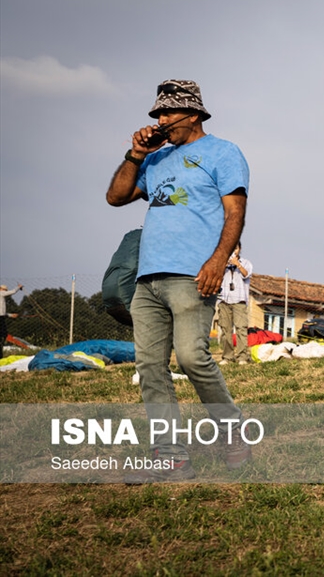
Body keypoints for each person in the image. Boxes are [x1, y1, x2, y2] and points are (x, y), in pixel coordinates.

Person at [106, 79, 252, 483]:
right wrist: (136, 154)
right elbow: (116, 197)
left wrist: (218, 261)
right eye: (157, 114)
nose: (160, 120)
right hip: (148, 279)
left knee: (191, 357)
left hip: (193, 274)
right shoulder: (154, 160)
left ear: (192, 114)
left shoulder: (223, 153)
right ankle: (171, 457)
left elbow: (235, 213)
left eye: (167, 113)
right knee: (150, 366)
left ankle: (233, 431)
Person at [217, 242, 253, 365]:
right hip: (224, 300)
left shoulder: (246, 263)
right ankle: (227, 357)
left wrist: (237, 264)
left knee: (241, 329)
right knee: (225, 330)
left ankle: (242, 357)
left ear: (240, 249)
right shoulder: (222, 263)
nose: (233, 250)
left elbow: (246, 273)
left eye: (236, 248)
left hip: (239, 301)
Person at [0, 284, 24, 358]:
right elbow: (12, 291)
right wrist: (18, 287)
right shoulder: (1, 293)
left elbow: (2, 312)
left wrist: (10, 315)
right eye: (5, 290)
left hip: (2, 317)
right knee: (3, 334)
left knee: (3, 334)